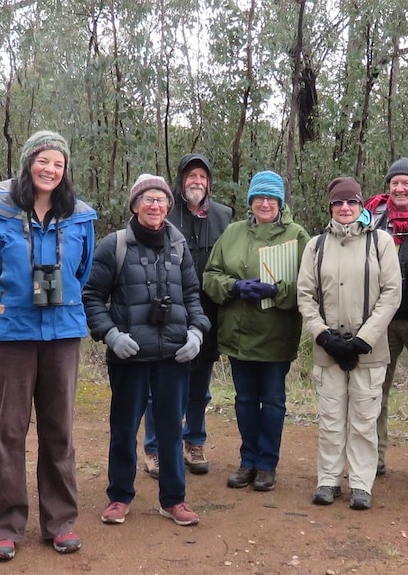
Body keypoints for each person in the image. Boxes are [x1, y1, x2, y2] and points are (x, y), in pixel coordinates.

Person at [0, 131, 97, 561]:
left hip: (62, 334)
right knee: (9, 430)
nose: (50, 170)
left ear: (66, 171)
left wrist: (62, 303)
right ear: (28, 164)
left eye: (58, 163)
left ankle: (59, 523)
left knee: (59, 429)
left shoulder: (80, 217)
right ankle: (4, 527)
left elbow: (81, 271)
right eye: (43, 161)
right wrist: (10, 303)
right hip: (12, 335)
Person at [83, 173, 210, 527]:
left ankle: (173, 500)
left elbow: (192, 296)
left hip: (173, 355)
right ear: (135, 205)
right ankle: (119, 497)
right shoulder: (115, 244)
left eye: (161, 200)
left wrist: (197, 333)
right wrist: (110, 335)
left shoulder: (179, 245)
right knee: (124, 428)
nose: (155, 206)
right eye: (148, 199)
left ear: (169, 205)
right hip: (129, 356)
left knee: (171, 429)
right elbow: (92, 297)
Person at [297, 177, 401, 510]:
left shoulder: (380, 242)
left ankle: (360, 483)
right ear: (330, 207)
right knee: (329, 419)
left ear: (361, 206)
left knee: (364, 419)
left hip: (368, 351)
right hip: (327, 348)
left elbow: (391, 293)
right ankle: (328, 480)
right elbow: (305, 295)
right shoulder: (316, 245)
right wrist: (323, 335)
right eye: (338, 203)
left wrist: (362, 340)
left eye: (351, 202)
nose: (345, 208)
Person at [203, 170, 310, 492]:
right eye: (258, 198)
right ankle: (247, 460)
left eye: (271, 198)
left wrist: (277, 290)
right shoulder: (233, 233)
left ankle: (267, 464)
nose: (265, 203)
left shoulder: (296, 235)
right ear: (251, 202)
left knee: (273, 400)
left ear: (280, 201)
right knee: (245, 400)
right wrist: (234, 286)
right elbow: (210, 275)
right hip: (238, 334)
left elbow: (309, 284)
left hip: (276, 334)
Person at [141, 154, 232, 479]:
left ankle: (194, 442)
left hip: (208, 314)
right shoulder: (166, 213)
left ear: (209, 182)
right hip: (166, 315)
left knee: (200, 388)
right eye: (191, 176)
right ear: (180, 180)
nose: (197, 181)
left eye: (202, 177)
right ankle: (154, 448)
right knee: (160, 389)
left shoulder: (224, 216)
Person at [364, 158, 408, 484]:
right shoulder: (373, 217)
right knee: (376, 388)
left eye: (407, 182)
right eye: (395, 182)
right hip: (382, 318)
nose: (400, 188)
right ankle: (373, 456)